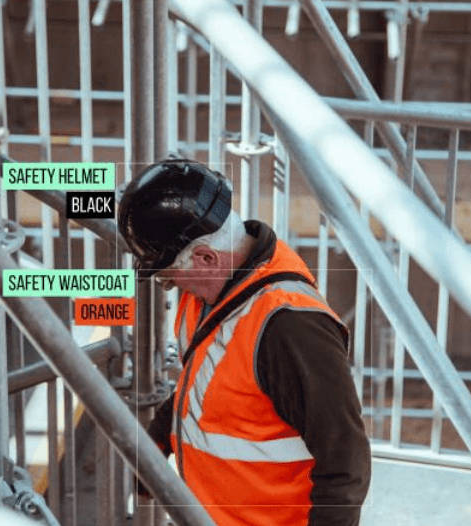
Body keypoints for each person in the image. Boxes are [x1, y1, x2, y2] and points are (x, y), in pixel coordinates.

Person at [117, 159, 371, 526]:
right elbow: (208, 382)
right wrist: (158, 441)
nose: (171, 287)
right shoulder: (212, 293)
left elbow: (345, 461)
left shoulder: (289, 326)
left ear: (204, 257)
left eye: (169, 277)